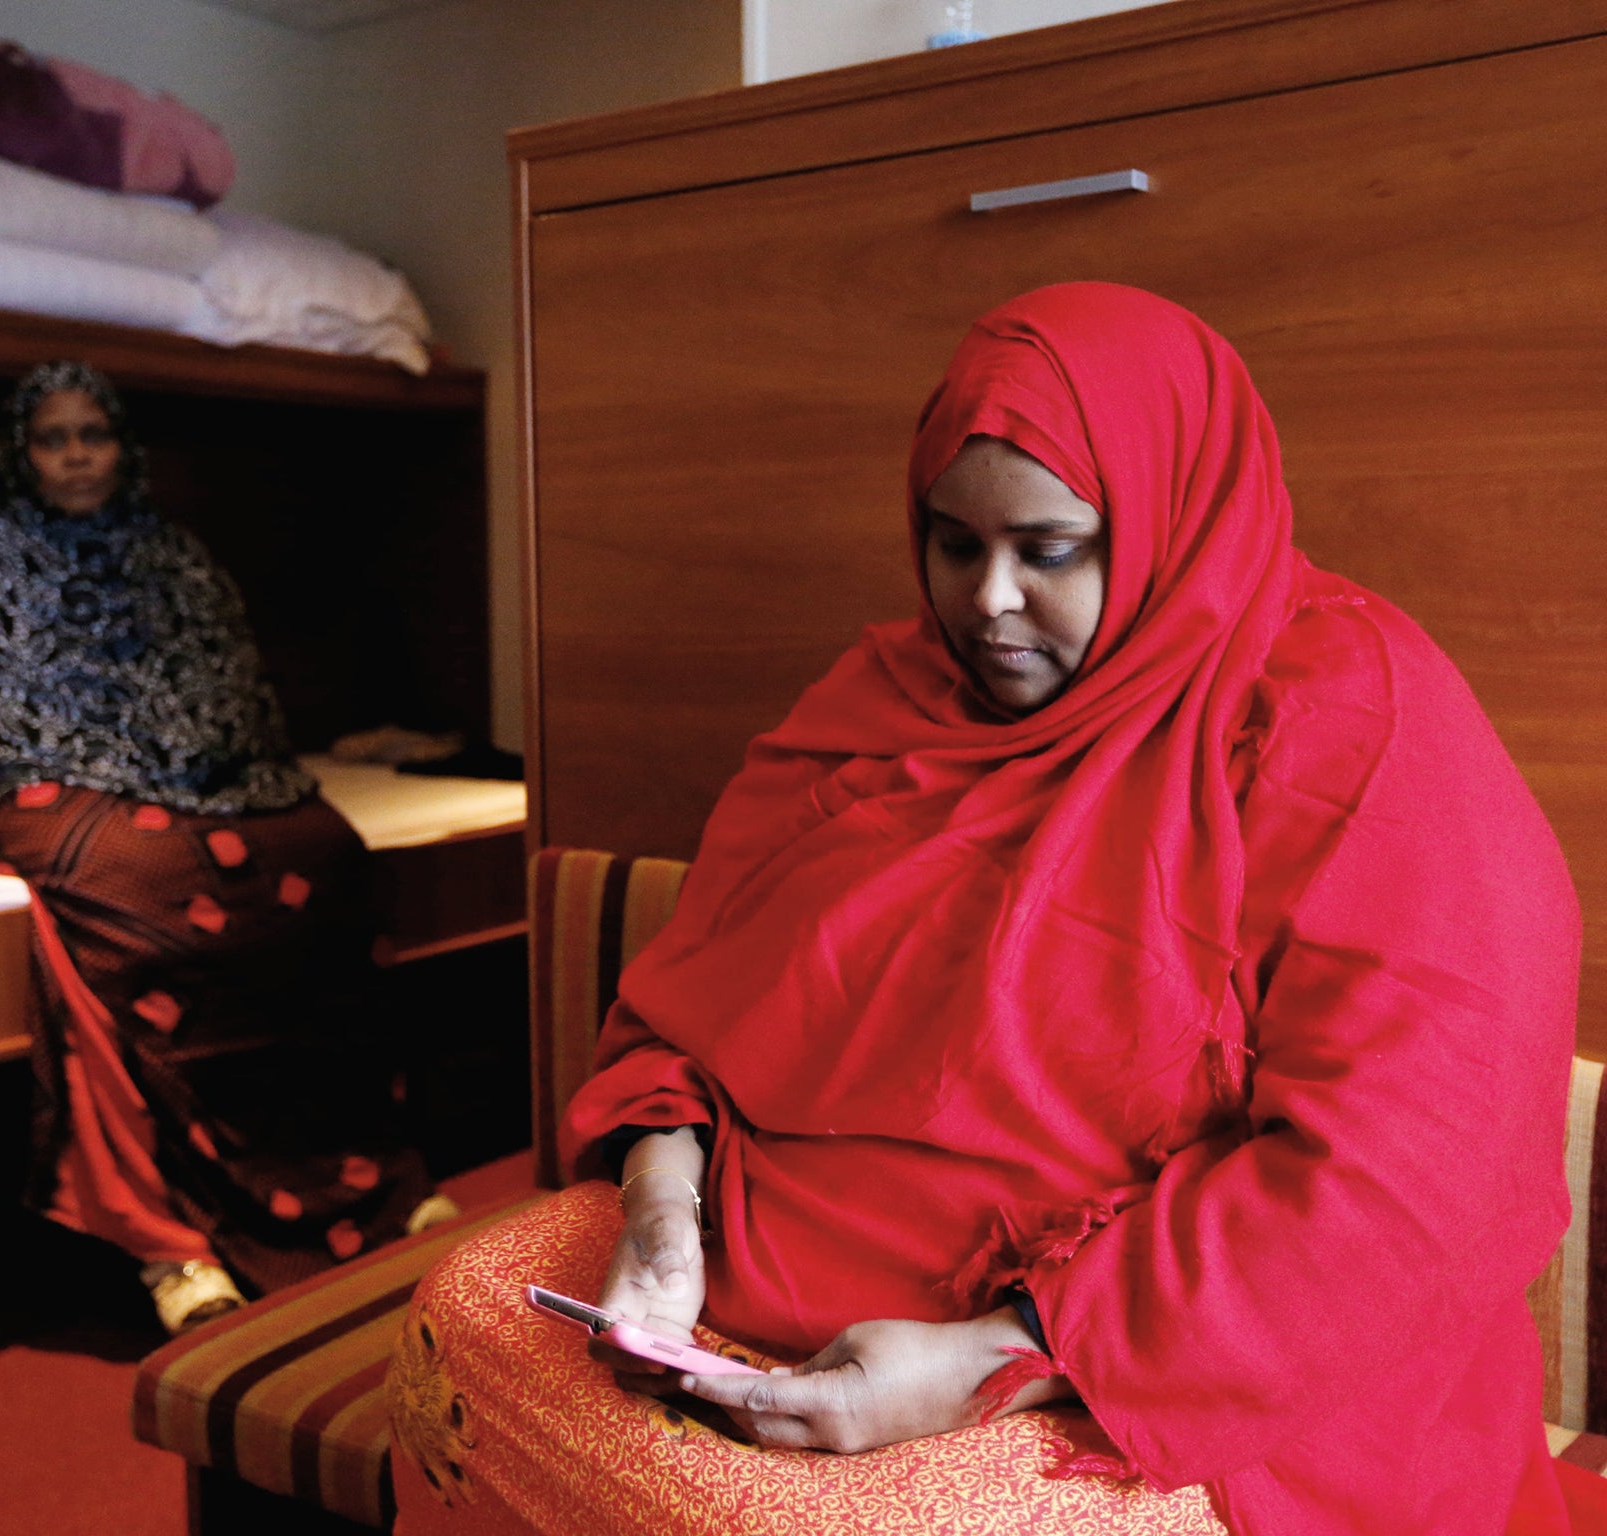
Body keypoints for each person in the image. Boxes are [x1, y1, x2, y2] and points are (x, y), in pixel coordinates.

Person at [389, 285, 1593, 1534]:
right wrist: (659, 1210)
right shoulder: (887, 702)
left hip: (1150, 1368)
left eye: (1049, 549)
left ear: (1175, 516)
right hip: (753, 1293)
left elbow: (1402, 1182)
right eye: (953, 544)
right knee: (464, 1308)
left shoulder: (1352, 725)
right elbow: (687, 1018)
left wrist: (990, 1359)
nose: (988, 603)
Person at [0, 360, 444, 1335]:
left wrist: (163, 755)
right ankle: (169, 1233)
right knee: (128, 878)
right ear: (21, 452)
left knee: (319, 848)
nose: (75, 456)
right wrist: (110, 758)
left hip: (180, 775)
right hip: (35, 779)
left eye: (91, 435)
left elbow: (225, 683)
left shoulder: (170, 554)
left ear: (122, 448)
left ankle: (367, 1178)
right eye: (53, 438)